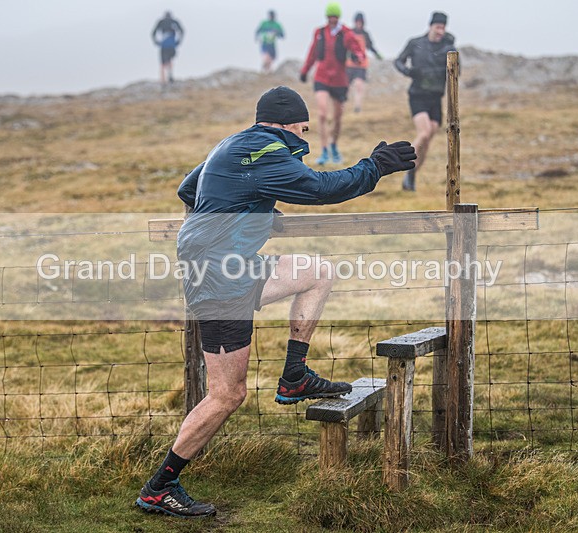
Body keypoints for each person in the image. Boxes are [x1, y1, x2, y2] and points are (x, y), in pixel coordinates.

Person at [135, 86, 416, 518]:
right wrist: (373, 166)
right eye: (304, 128)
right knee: (227, 394)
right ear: (290, 124)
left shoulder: (232, 144)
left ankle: (294, 376)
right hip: (218, 280)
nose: (305, 136)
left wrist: (251, 211)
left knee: (319, 272)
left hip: (235, 267)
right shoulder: (266, 152)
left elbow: (187, 189)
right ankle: (160, 486)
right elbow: (322, 188)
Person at [394, 11, 456, 191]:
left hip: (436, 97)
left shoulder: (448, 47)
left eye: (443, 28)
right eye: (438, 27)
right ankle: (400, 161)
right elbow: (398, 61)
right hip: (418, 95)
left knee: (428, 139)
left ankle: (411, 174)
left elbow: (457, 70)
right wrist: (408, 72)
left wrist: (452, 48)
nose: (440, 31)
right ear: (430, 26)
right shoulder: (416, 44)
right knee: (424, 133)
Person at [300, 2, 365, 166]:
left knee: (337, 117)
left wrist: (358, 56)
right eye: (330, 17)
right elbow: (312, 52)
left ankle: (334, 146)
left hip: (339, 81)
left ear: (339, 17)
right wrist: (305, 70)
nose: (332, 20)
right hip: (321, 77)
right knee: (322, 114)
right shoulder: (319, 32)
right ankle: (323, 150)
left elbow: (357, 49)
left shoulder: (346, 33)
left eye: (335, 17)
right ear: (326, 17)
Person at [346, 12, 382, 113]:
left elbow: (370, 46)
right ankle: (342, 105)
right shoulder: (349, 33)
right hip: (349, 65)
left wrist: (377, 54)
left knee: (359, 86)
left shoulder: (365, 34)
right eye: (357, 22)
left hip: (361, 65)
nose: (359, 24)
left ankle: (357, 107)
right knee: (345, 87)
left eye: (360, 22)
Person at [152, 11, 184, 85]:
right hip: (172, 45)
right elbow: (182, 31)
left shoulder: (161, 22)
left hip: (164, 45)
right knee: (170, 60)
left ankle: (163, 80)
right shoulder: (174, 22)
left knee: (163, 63)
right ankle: (170, 76)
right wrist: (178, 41)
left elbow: (153, 33)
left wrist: (156, 42)